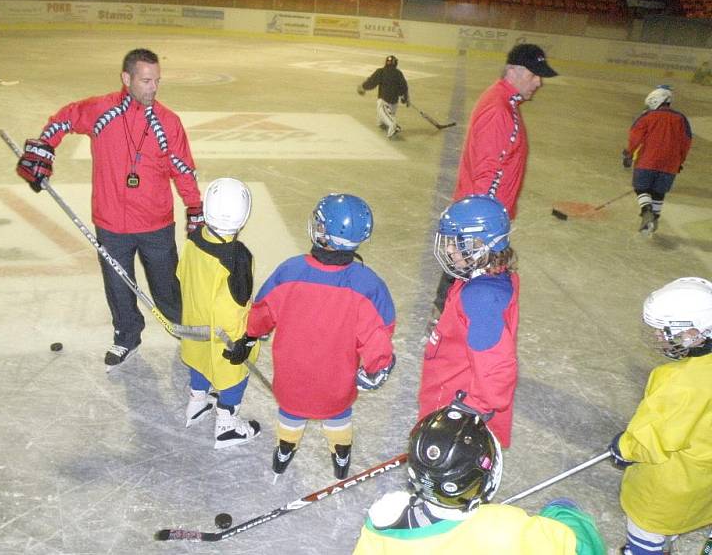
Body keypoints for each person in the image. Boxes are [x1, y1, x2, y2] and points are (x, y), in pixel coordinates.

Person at [15, 48, 203, 367]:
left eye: (157, 81)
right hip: (111, 222)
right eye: (146, 80)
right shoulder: (102, 110)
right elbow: (64, 118)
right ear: (126, 78)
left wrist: (195, 208)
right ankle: (126, 336)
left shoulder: (168, 122)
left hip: (156, 222)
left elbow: (182, 168)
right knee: (118, 286)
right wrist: (45, 148)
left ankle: (183, 331)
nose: (153, 88)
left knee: (166, 285)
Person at [226, 193, 396, 479]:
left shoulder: (290, 271)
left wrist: (251, 335)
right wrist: (378, 366)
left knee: (291, 412)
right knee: (338, 414)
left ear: (321, 232)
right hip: (337, 382)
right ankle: (341, 455)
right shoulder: (368, 285)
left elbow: (262, 312)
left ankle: (284, 449)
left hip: (293, 378)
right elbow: (380, 333)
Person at [353, 397, 606, 554]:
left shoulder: (383, 527)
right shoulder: (507, 527)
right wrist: (563, 512)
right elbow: (582, 547)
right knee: (561, 507)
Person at [431, 43, 557, 315]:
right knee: (465, 269)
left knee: (463, 269)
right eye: (534, 74)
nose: (539, 82)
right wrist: (480, 227)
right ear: (514, 70)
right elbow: (489, 170)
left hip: (484, 213)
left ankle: (447, 315)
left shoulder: (502, 102)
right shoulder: (499, 109)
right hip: (483, 216)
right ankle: (446, 318)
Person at [608, 277, 712, 555]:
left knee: (647, 526)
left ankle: (645, 550)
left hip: (671, 487)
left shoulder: (678, 381)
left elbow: (654, 435)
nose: (657, 337)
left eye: (664, 332)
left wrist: (624, 447)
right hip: (705, 480)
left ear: (694, 333)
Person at [418, 195, 518, 448]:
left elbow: (497, 365)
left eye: (457, 243)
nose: (450, 249)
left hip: (456, 408)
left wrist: (472, 410)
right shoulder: (479, 278)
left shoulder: (481, 297)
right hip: (450, 386)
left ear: (483, 244)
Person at [178, 177, 261, 449]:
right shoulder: (237, 257)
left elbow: (182, 275)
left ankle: (197, 403)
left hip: (194, 325)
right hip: (226, 337)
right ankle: (226, 425)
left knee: (198, 360)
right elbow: (235, 306)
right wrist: (245, 341)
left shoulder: (193, 239)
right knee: (233, 377)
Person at [621, 86, 692, 235]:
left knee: (641, 188)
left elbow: (635, 137)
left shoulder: (647, 116)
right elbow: (686, 141)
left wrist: (629, 154)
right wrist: (680, 161)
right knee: (659, 193)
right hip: (670, 164)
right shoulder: (681, 119)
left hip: (648, 160)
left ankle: (646, 211)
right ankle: (654, 220)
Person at [357, 55, 409, 139]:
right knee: (380, 122)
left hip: (384, 102)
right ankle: (386, 122)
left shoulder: (381, 71)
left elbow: (371, 82)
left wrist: (363, 87)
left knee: (387, 119)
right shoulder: (399, 73)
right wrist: (405, 97)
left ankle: (393, 126)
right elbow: (404, 87)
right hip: (394, 104)